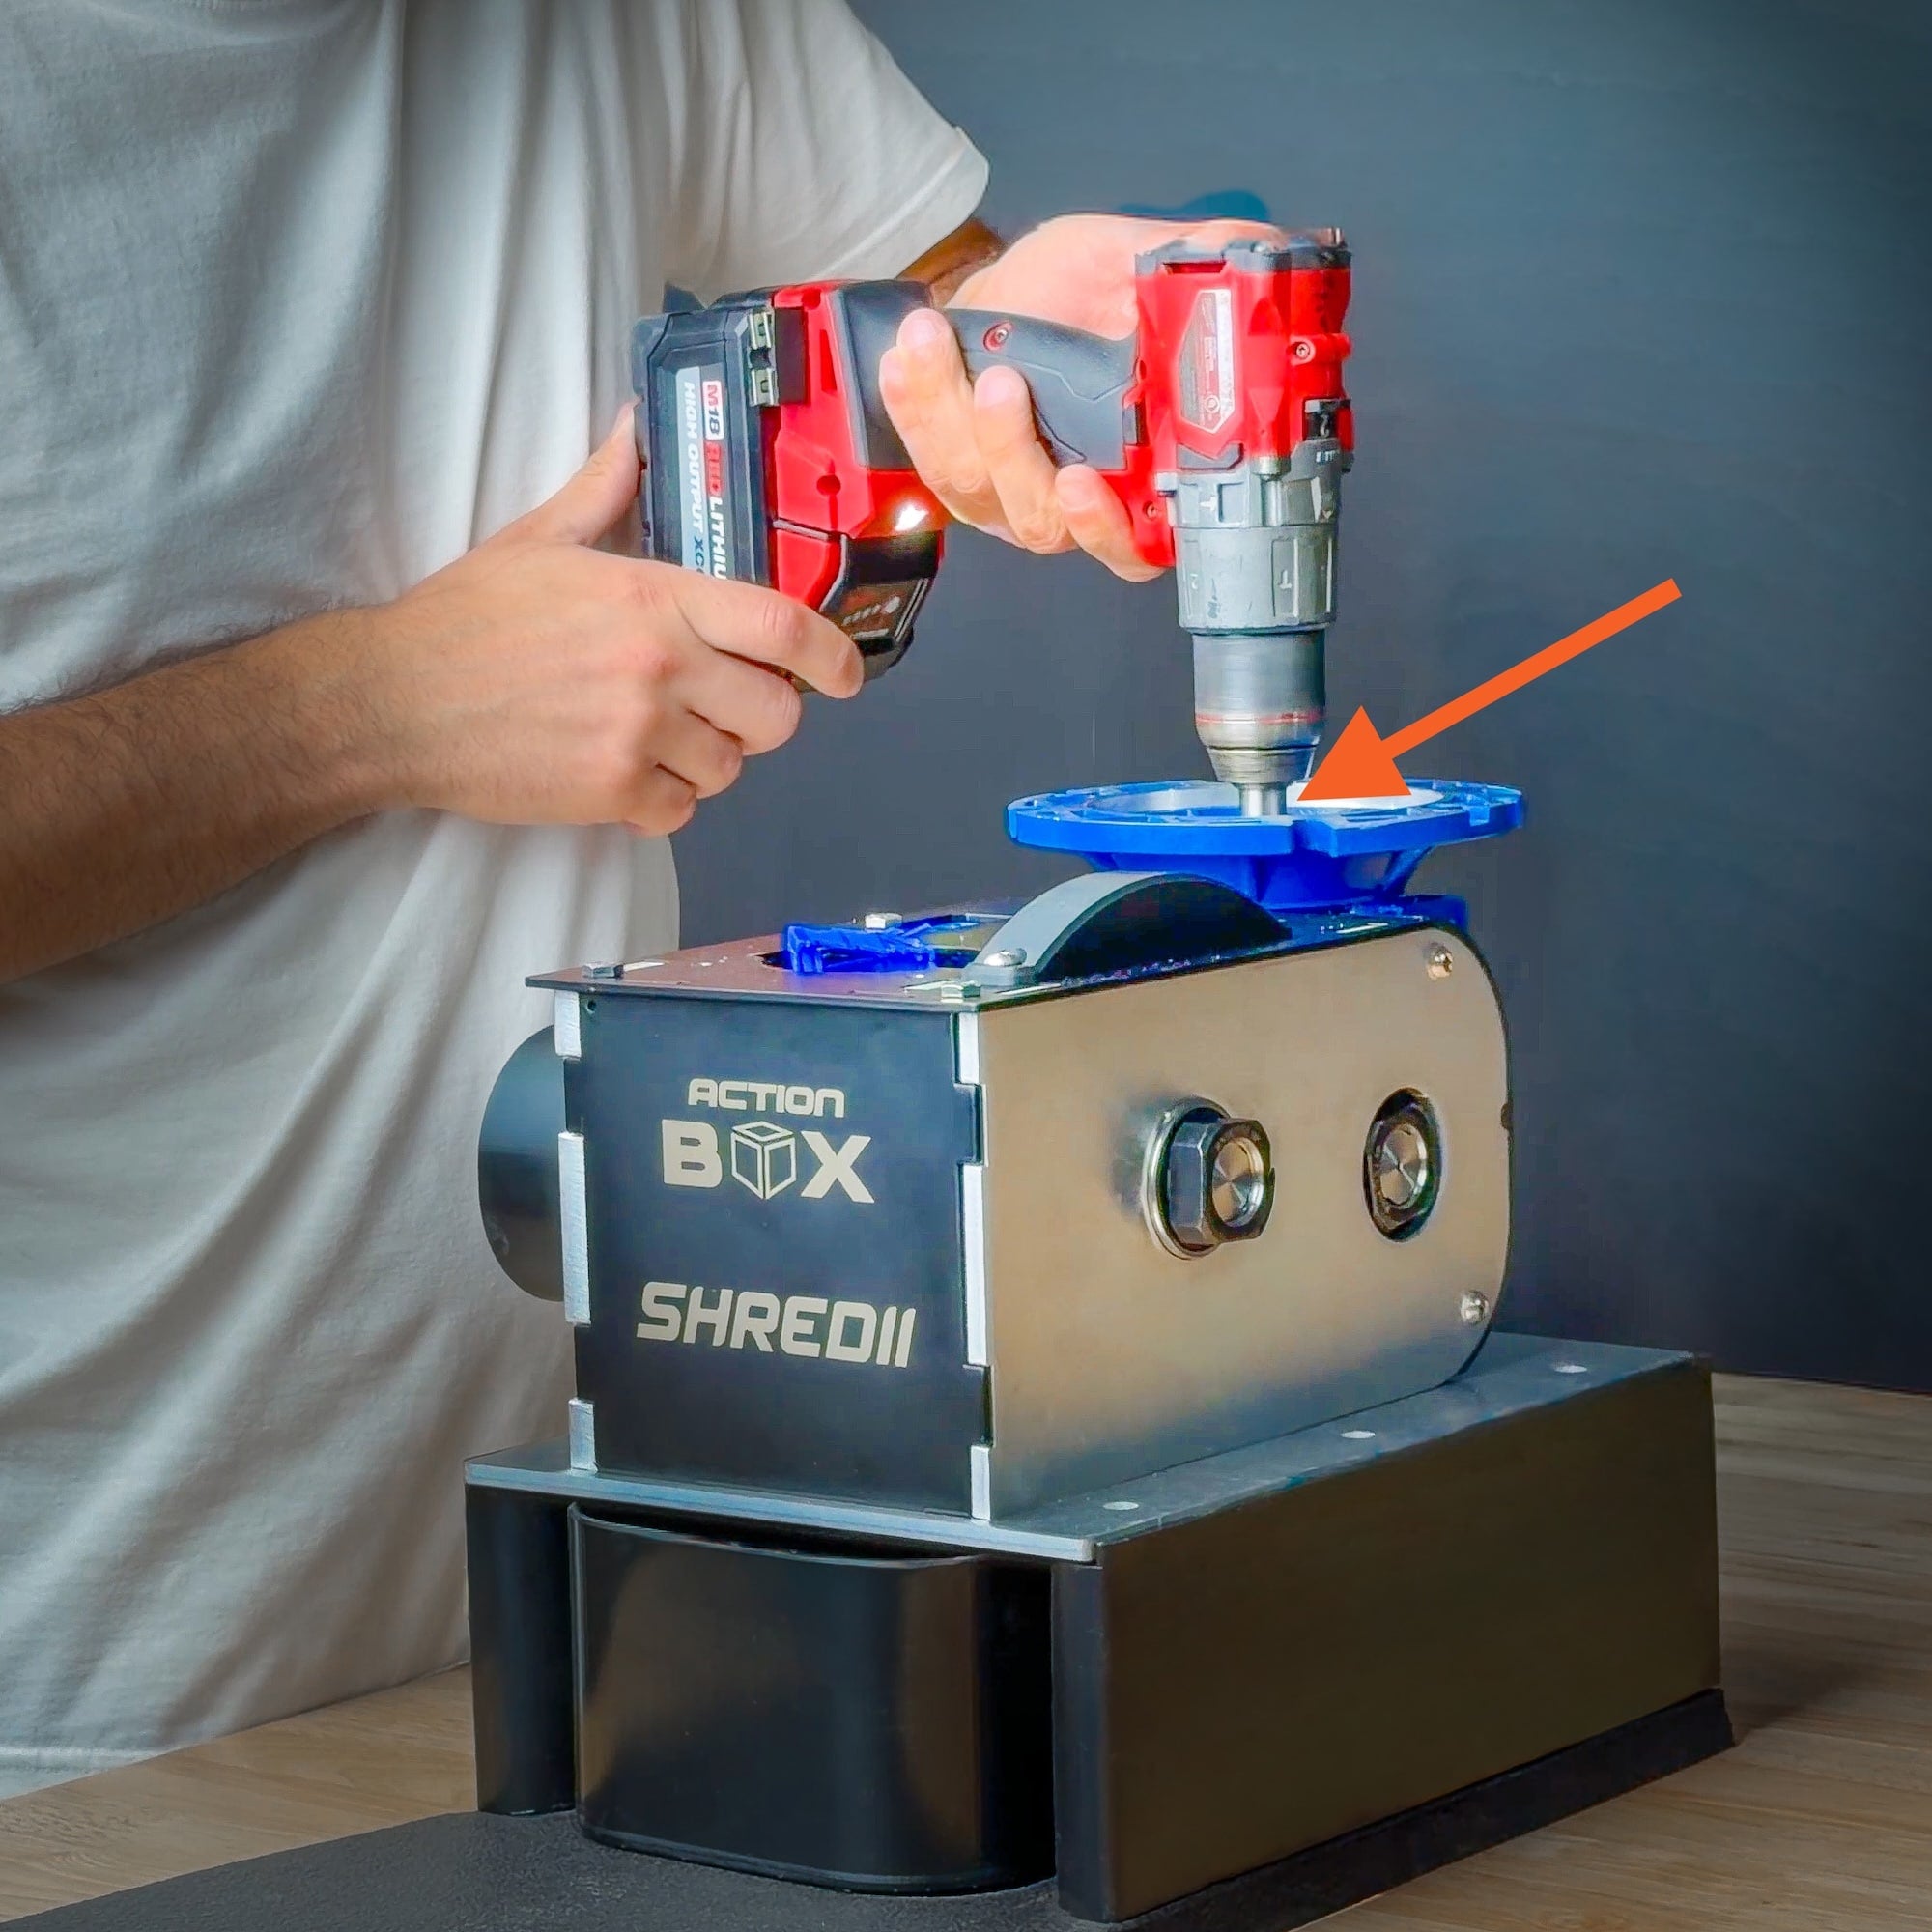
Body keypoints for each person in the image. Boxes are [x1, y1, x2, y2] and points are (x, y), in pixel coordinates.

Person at [0, 0, 1272, 1796]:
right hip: (73, 1680)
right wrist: (366, 706)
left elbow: (924, 313)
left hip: (594, 1579)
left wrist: (1002, 326)